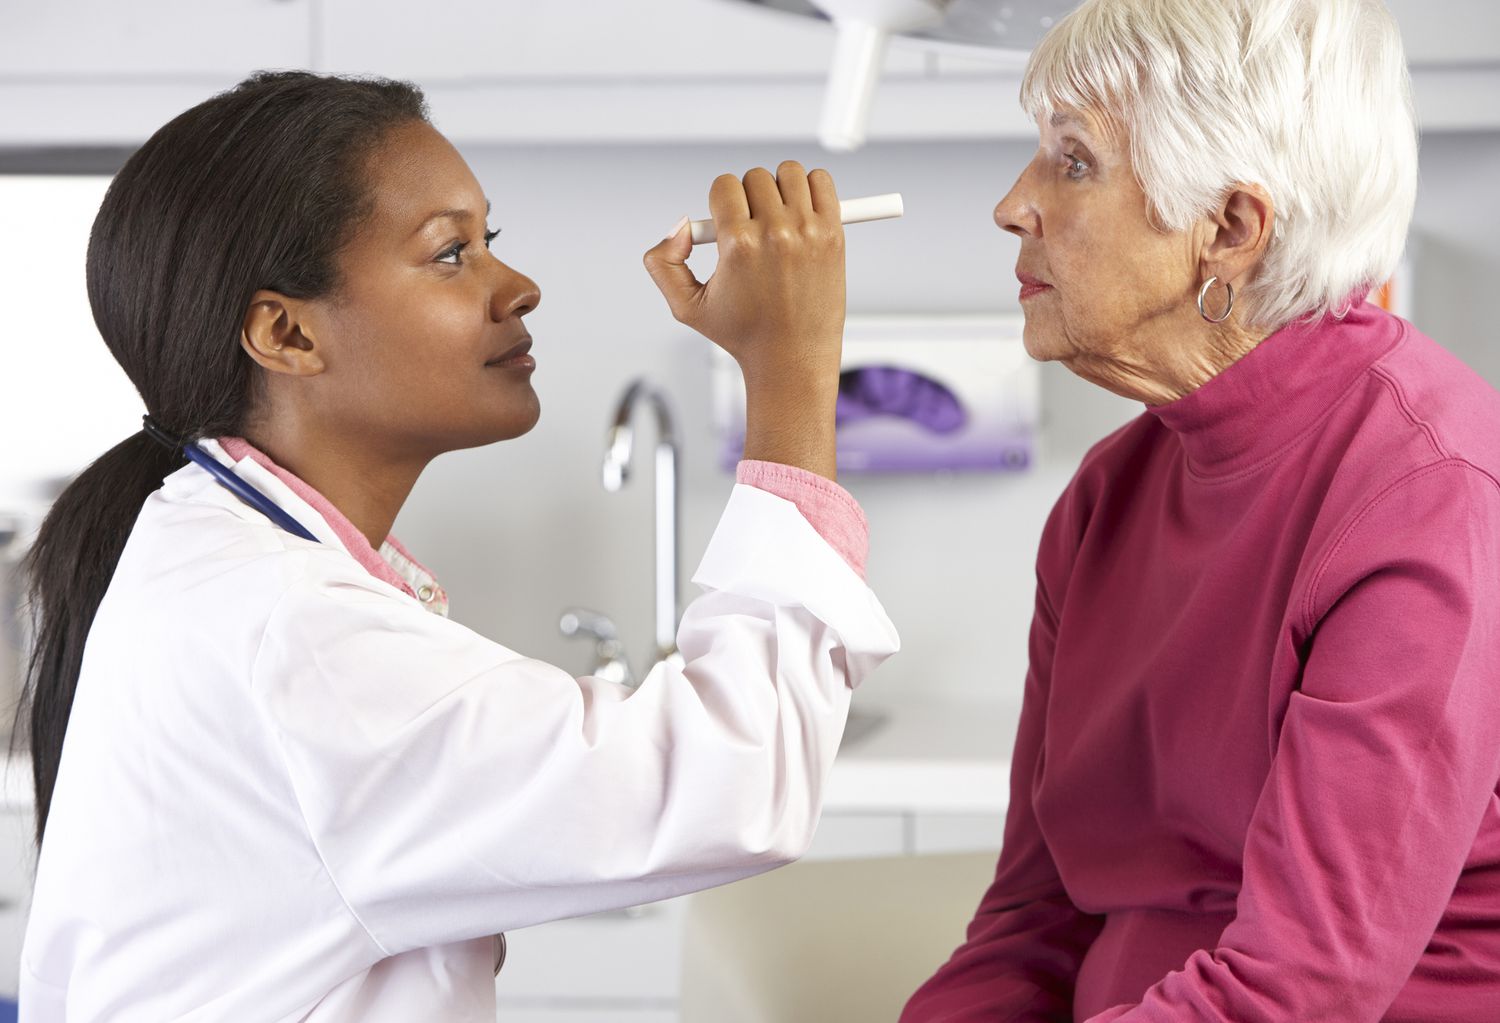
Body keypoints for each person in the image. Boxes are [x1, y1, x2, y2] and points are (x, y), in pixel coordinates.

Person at [18, 70, 897, 1021]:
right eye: (449, 255)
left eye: (491, 243)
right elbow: (733, 778)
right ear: (286, 332)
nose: (517, 288)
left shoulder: (224, 553)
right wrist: (796, 368)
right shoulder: (295, 632)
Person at [902, 1, 1500, 1020]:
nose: (1013, 204)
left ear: (1228, 228)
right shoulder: (1107, 496)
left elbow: (1300, 987)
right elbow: (1029, 922)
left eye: (1073, 161)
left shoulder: (1426, 498)